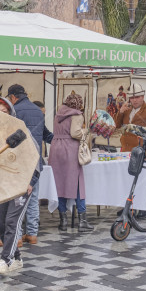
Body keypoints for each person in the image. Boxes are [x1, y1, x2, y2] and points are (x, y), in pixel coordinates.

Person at [0, 97, 40, 275]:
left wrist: (30, 182)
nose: (1, 115)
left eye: (4, 112)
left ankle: (6, 260)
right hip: (3, 184)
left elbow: (35, 160)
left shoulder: (22, 132)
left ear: (11, 113)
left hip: (21, 184)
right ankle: (17, 258)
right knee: (1, 220)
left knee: (12, 221)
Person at [48, 92, 93, 232]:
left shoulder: (58, 114)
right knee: (78, 184)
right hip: (70, 148)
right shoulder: (77, 115)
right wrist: (86, 131)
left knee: (59, 184)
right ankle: (82, 221)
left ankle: (63, 221)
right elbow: (75, 133)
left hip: (56, 148)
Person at [6, 84, 44, 245]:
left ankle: (18, 236)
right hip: (36, 160)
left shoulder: (15, 111)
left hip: (19, 161)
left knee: (17, 200)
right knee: (33, 198)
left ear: (13, 96)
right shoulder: (38, 110)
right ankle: (32, 234)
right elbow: (46, 134)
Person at [114, 84, 146, 159]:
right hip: (126, 151)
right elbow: (117, 125)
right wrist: (121, 112)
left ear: (143, 97)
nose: (134, 100)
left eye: (137, 97)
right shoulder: (126, 109)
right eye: (132, 98)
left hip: (142, 153)